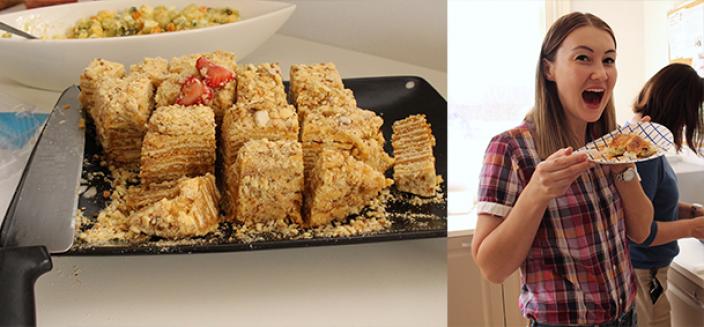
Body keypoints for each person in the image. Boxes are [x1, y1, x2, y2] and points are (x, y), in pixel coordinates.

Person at [472, 12, 654, 326]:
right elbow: (492, 269)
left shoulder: (608, 143)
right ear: (549, 69)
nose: (600, 73)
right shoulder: (511, 149)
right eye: (583, 58)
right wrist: (536, 193)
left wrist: (624, 166)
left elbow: (641, 230)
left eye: (608, 60)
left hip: (627, 316)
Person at [629, 63, 704, 327]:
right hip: (643, 274)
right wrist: (694, 228)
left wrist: (694, 212)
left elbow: (653, 204)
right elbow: (641, 231)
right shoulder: (645, 147)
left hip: (648, 272)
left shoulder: (644, 138)